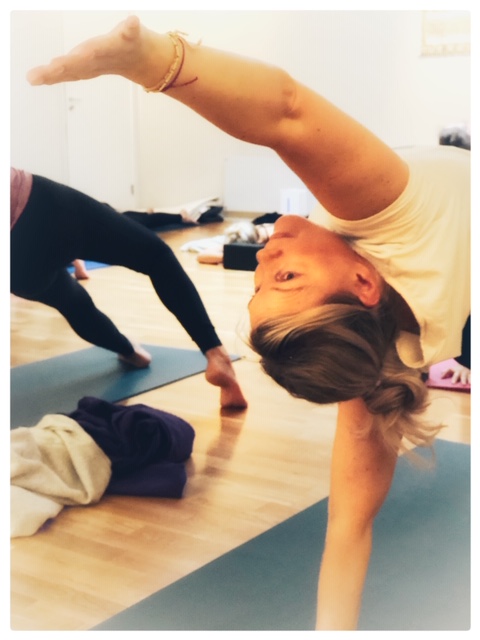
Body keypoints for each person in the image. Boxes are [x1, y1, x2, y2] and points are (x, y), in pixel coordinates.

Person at [26, 16, 470, 630]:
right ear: (363, 286)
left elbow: (349, 530)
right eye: (284, 278)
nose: (263, 260)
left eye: (261, 283)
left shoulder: (370, 345)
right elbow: (285, 110)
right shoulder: (380, 217)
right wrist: (149, 59)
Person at [10, 167, 247, 410]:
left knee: (72, 304)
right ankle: (216, 355)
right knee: (156, 257)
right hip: (33, 201)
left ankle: (130, 352)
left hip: (15, 263)